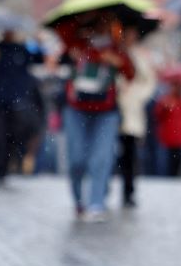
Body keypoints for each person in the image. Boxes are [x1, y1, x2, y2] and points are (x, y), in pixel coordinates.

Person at [56, 15, 135, 221]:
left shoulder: (116, 48)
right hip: (76, 108)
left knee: (102, 157)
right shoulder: (78, 43)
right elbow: (61, 41)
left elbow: (130, 73)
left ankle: (96, 202)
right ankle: (78, 200)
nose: (102, 28)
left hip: (106, 110)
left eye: (106, 24)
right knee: (77, 159)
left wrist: (117, 60)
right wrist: (82, 24)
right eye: (99, 23)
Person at [0, 30, 45, 186]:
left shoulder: (21, 49)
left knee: (15, 135)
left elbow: (37, 60)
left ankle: (9, 163)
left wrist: (39, 44)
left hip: (18, 102)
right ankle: (0, 170)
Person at [115, 24, 156, 207]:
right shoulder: (115, 53)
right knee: (112, 152)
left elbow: (149, 82)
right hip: (114, 107)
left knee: (130, 154)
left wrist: (137, 95)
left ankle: (128, 190)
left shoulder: (140, 56)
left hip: (132, 109)